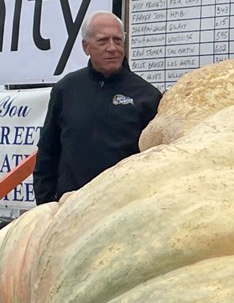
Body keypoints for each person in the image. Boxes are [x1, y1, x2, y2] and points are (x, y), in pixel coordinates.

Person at [33, 11, 162, 204]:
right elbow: (48, 151)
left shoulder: (147, 96)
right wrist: (46, 203)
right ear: (86, 47)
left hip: (124, 207)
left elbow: (157, 160)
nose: (112, 48)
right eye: (103, 41)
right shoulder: (66, 89)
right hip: (70, 207)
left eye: (117, 40)